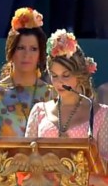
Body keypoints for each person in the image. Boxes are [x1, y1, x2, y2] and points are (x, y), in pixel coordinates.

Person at [0, 7, 56, 186]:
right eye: (21, 47)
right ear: (11, 51)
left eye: (33, 49)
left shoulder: (51, 94)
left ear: (40, 55)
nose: (26, 54)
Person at [25, 29, 108, 185]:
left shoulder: (101, 114)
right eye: (54, 76)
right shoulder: (38, 111)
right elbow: (26, 160)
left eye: (66, 75)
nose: (59, 83)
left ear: (80, 75)